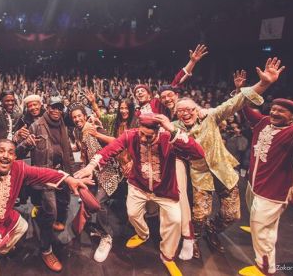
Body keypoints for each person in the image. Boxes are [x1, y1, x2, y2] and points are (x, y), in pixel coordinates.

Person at [173, 58, 285, 258]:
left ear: (197, 110)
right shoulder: (175, 127)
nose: (185, 113)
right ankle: (194, 238)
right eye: (180, 111)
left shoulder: (211, 116)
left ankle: (213, 230)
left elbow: (235, 102)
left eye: (189, 109)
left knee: (232, 214)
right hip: (200, 177)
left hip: (224, 172)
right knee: (199, 215)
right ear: (177, 115)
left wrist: (264, 83)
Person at [75, 113, 205, 276]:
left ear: (158, 131)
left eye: (148, 136)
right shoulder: (131, 135)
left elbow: (199, 153)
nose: (143, 138)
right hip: (138, 187)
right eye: (141, 133)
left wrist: (173, 130)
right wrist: (91, 166)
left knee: (175, 220)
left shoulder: (169, 138)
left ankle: (167, 256)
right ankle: (143, 234)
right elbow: (110, 150)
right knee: (133, 214)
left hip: (165, 190)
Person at [0, 139, 90, 276]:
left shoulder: (19, 168)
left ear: (15, 156)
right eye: (1, 151)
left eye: (10, 152)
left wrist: (68, 178)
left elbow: (41, 173)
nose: (5, 156)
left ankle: (0, 249)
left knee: (22, 226)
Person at [237, 84, 293, 276]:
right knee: (261, 223)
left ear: (292, 116)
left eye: (281, 111)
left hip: (273, 191)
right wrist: (240, 92)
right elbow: (246, 112)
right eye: (273, 109)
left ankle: (264, 268)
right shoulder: (264, 123)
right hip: (255, 184)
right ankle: (257, 228)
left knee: (262, 231)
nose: (274, 112)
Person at [26, 95, 75, 272]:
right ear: (47, 108)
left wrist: (72, 174)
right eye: (53, 107)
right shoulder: (36, 125)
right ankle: (46, 250)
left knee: (64, 202)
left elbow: (67, 150)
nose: (56, 110)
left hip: (63, 171)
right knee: (51, 211)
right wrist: (23, 141)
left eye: (59, 107)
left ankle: (58, 222)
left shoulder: (62, 124)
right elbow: (22, 147)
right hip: (46, 175)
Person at [69, 104, 121, 262]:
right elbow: (79, 147)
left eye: (79, 116)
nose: (77, 119)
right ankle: (99, 227)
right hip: (92, 173)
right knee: (87, 199)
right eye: (74, 117)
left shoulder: (94, 126)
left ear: (85, 115)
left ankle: (107, 236)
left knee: (99, 203)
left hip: (108, 173)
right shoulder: (77, 131)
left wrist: (97, 134)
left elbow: (115, 142)